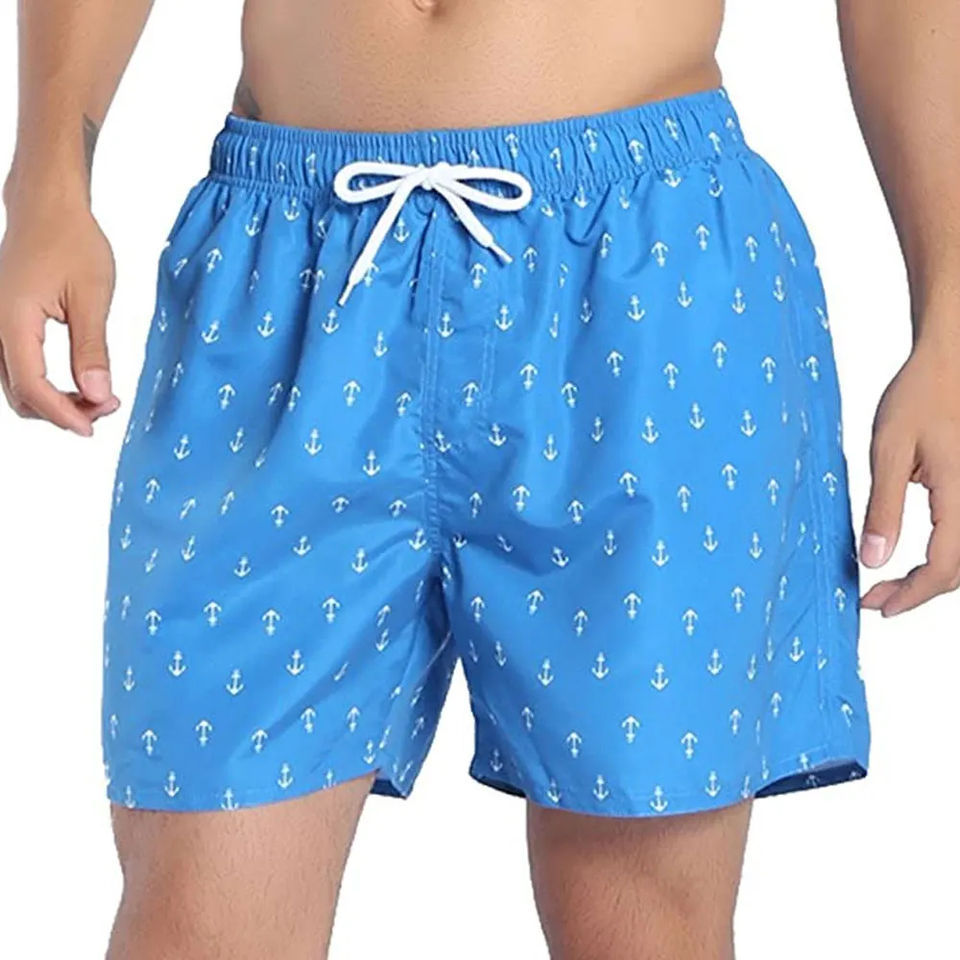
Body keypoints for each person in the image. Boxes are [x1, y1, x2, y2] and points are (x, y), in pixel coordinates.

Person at [1, 1, 958, 957]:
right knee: (195, 920)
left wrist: (950, 321)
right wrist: (47, 174)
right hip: (283, 269)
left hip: (640, 275)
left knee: (644, 923)